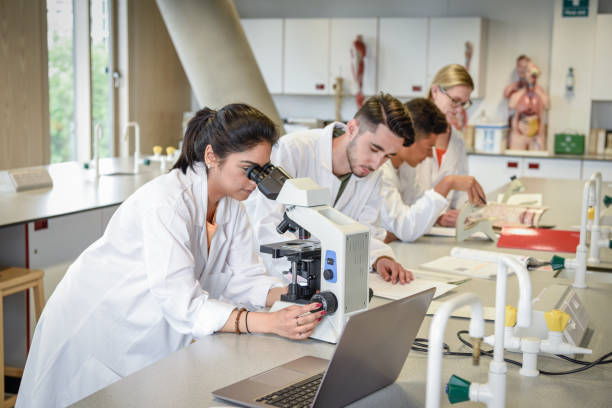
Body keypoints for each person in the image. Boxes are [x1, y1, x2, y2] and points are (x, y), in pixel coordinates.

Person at [16, 104, 324, 408]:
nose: (254, 183)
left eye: (262, 171)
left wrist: (289, 294)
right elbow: (183, 303)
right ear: (211, 156)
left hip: (145, 328)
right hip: (98, 324)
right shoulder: (168, 202)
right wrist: (267, 323)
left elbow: (244, 277)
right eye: (248, 170)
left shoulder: (232, 206)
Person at [246, 94, 415, 285]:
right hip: (271, 281)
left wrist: (380, 258)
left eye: (388, 156)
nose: (377, 163)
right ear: (352, 129)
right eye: (374, 149)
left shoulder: (373, 173)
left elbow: (365, 231)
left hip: (325, 281)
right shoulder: (293, 150)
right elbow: (265, 226)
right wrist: (302, 281)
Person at [380, 98, 486, 243]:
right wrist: (448, 183)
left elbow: (416, 204)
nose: (430, 155)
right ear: (407, 138)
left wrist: (439, 217)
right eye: (429, 148)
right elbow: (406, 229)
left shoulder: (405, 166)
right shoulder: (381, 172)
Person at [415, 64, 474, 226]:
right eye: (455, 101)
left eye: (464, 104)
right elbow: (408, 194)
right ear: (435, 91)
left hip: (443, 231)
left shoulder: (457, 140)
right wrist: (437, 216)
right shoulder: (413, 133)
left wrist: (462, 212)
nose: (459, 109)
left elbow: (460, 191)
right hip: (414, 227)